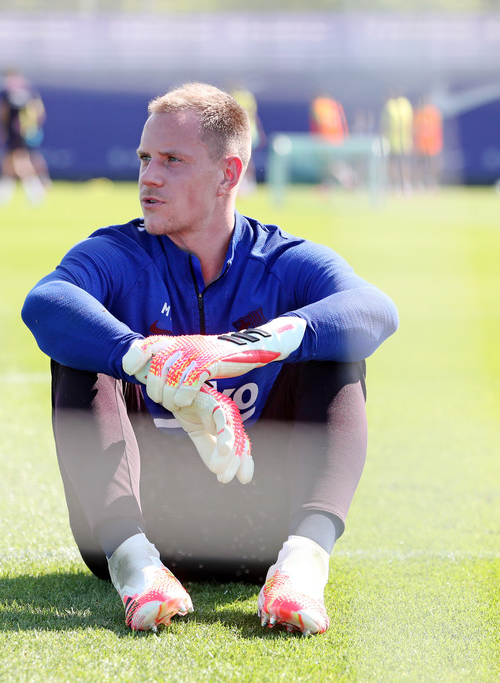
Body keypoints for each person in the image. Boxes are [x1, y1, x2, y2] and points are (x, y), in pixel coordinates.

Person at [22, 83, 398, 635]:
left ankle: (302, 568)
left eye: (172, 160)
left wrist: (236, 349)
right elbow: (45, 303)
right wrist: (143, 356)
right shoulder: (120, 253)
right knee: (78, 346)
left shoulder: (279, 259)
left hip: (260, 522)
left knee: (335, 349)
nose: (149, 176)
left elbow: (375, 309)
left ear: (228, 173)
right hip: (137, 526)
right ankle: (139, 571)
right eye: (145, 158)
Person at [0, 69, 47, 205]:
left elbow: (1, 112)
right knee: (8, 162)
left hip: (15, 131)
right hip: (25, 130)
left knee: (20, 161)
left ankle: (35, 191)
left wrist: (0, 129)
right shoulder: (28, 90)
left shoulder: (8, 92)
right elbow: (40, 111)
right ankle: (3, 194)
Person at [228, 82, 265, 196]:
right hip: (247, 131)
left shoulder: (236, 96)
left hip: (244, 132)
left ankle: (246, 185)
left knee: (244, 159)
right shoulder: (247, 96)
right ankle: (245, 184)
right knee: (245, 159)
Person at [381, 89, 414, 196]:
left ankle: (394, 186)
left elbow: (385, 125)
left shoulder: (389, 106)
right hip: (405, 141)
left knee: (393, 165)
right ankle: (405, 185)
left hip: (392, 142)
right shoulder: (406, 105)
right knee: (403, 164)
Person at [413, 95, 443, 192]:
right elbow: (415, 129)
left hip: (431, 144)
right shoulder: (419, 113)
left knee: (431, 165)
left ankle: (431, 183)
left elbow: (437, 128)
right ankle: (421, 183)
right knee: (421, 166)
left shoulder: (433, 113)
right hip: (422, 144)